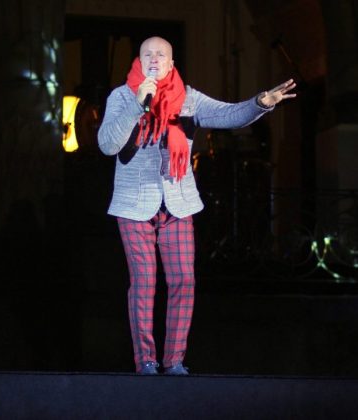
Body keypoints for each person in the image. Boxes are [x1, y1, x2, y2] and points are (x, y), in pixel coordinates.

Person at [97, 36, 296, 375]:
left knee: (183, 281)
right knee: (144, 283)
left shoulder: (187, 98)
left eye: (161, 54)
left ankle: (174, 361)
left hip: (178, 203)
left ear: (171, 63)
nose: (154, 59)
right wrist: (137, 105)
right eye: (148, 54)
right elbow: (107, 144)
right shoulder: (122, 96)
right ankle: (146, 361)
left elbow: (228, 114)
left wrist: (261, 103)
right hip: (134, 204)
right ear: (139, 61)